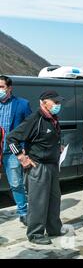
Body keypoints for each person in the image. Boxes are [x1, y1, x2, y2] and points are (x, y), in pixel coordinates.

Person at [7, 90, 67, 245]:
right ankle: (35, 234)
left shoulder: (53, 118)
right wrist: (21, 157)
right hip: (38, 167)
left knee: (55, 199)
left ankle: (54, 228)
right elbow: (11, 138)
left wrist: (57, 147)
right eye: (55, 102)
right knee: (38, 201)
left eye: (59, 102)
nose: (57, 105)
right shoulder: (35, 119)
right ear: (44, 102)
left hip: (52, 165)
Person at [0, 75, 31, 226]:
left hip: (12, 152)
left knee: (15, 183)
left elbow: (29, 128)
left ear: (9, 88)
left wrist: (24, 149)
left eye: (1, 87)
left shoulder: (22, 105)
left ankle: (23, 212)